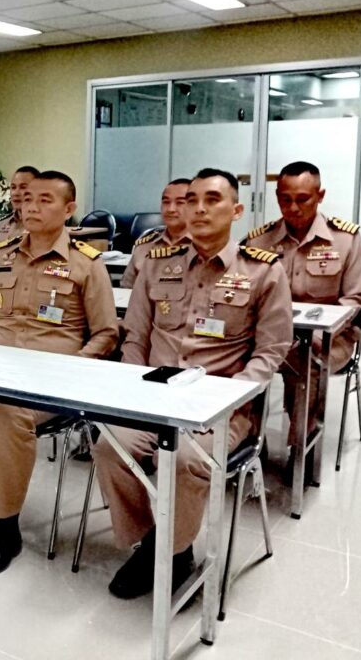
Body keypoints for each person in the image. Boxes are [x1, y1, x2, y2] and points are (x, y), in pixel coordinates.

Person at [93, 168, 292, 600]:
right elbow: (136, 337)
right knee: (110, 447)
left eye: (212, 200)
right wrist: (133, 392)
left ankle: (172, 551)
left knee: (186, 459)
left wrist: (228, 397)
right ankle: (157, 544)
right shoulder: (157, 264)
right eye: (191, 200)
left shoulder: (263, 271)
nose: (199, 209)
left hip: (222, 408)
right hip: (155, 397)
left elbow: (272, 350)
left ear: (236, 210)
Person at [0, 171, 119, 579]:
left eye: (45, 200)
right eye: (28, 199)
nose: (32, 207)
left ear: (69, 209)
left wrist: (70, 370)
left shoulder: (86, 263)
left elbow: (106, 333)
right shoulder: (2, 254)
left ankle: (4, 526)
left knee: (10, 411)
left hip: (51, 384)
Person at [243, 161, 361, 451]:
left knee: (306, 359)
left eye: (303, 199)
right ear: (277, 197)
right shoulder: (259, 240)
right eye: (285, 199)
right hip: (271, 337)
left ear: (320, 196)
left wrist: (320, 335)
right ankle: (248, 440)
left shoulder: (344, 239)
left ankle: (302, 445)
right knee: (234, 356)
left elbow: (356, 299)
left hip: (330, 339)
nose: (293, 208)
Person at [120, 178, 192, 289]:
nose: (171, 209)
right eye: (166, 202)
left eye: (180, 202)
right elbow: (127, 289)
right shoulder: (145, 246)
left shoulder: (206, 247)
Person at [0, 166, 39, 248]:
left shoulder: (47, 228)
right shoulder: (0, 226)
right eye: (13, 187)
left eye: (23, 187)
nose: (15, 193)